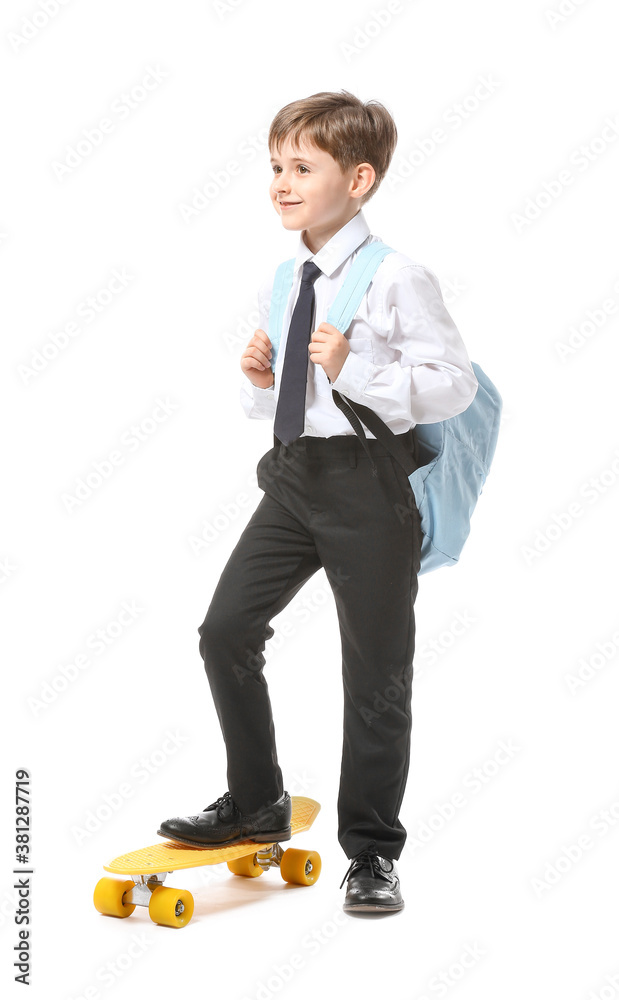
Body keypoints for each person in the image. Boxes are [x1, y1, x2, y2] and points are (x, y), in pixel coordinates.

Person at [158, 89, 478, 913]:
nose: (281, 182)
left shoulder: (399, 277)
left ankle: (372, 851)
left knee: (375, 673)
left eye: (302, 166)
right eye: (275, 166)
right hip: (296, 478)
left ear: (359, 179)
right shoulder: (287, 273)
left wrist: (352, 368)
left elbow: (451, 386)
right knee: (225, 630)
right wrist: (264, 382)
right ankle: (256, 797)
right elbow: (293, 409)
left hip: (373, 490)